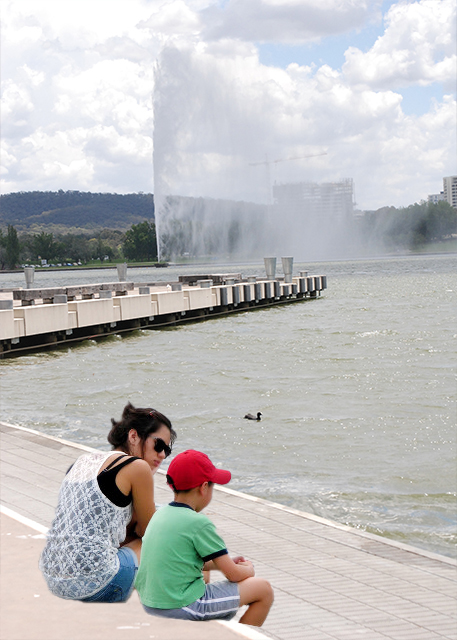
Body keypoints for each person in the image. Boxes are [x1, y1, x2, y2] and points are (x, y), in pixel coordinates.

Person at [39, 402, 176, 603]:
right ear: (133, 436)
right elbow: (151, 535)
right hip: (103, 584)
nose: (163, 454)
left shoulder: (83, 460)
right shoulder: (137, 467)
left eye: (167, 450)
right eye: (159, 445)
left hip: (53, 578)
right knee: (170, 523)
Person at [135, 449, 274, 626]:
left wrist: (226, 561)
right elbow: (233, 575)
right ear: (204, 487)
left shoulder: (160, 514)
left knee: (205, 574)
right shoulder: (198, 523)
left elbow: (178, 559)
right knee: (263, 590)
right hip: (182, 605)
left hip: (151, 603)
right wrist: (249, 569)